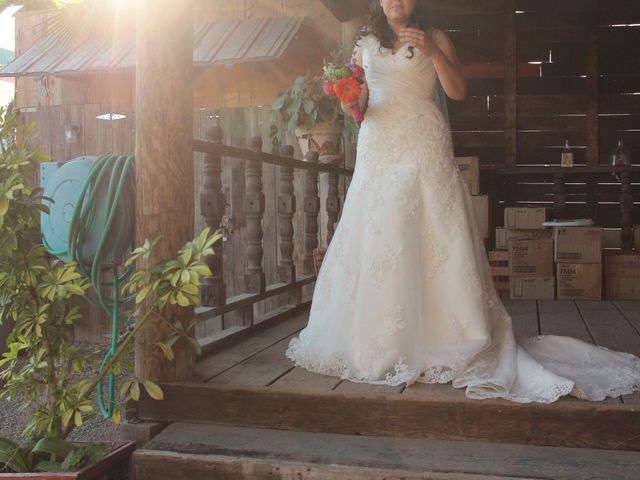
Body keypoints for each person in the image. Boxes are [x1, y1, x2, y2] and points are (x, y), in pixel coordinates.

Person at [285, 0, 640, 403]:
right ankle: (379, 340)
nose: (395, 0)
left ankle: (449, 334)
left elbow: (458, 91)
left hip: (423, 140)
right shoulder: (364, 42)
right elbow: (362, 107)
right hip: (379, 146)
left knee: (432, 229)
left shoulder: (435, 38)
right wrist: (351, 102)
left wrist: (434, 52)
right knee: (380, 229)